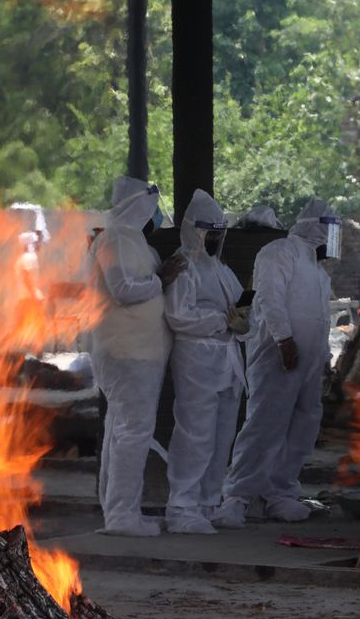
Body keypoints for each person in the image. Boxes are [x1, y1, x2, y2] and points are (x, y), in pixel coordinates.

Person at [215, 200, 339, 526]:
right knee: (264, 425)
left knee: (302, 425)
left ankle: (280, 493)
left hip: (309, 361)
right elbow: (269, 296)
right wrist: (284, 339)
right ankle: (237, 497)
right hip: (277, 355)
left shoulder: (318, 270)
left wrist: (324, 359)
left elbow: (321, 318)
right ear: (317, 226)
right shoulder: (279, 251)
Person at [89, 177, 187, 536]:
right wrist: (161, 279)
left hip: (136, 353)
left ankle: (115, 509)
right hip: (127, 352)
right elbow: (124, 289)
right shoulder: (116, 238)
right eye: (151, 208)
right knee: (132, 432)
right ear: (139, 207)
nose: (155, 215)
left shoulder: (130, 240)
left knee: (122, 430)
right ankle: (121, 516)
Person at [163, 190, 251, 533]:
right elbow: (178, 316)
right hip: (197, 358)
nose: (214, 240)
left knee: (221, 435)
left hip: (226, 360)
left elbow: (238, 310)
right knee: (195, 434)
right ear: (193, 231)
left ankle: (208, 502)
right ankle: (182, 506)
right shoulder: (183, 266)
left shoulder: (220, 268)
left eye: (218, 233)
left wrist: (242, 323)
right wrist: (221, 321)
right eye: (208, 233)